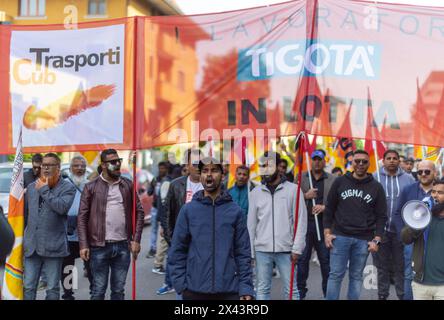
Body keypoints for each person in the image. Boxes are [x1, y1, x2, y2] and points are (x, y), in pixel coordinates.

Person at [168, 157, 255, 300]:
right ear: (201, 176)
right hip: (193, 290)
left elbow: (243, 253)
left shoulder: (235, 212)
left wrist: (245, 287)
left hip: (229, 291)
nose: (209, 174)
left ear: (223, 176)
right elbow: (177, 250)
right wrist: (180, 285)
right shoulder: (188, 210)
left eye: (214, 170)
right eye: (205, 171)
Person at [77, 149, 145, 300]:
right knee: (98, 291)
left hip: (123, 246)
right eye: (113, 162)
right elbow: (82, 218)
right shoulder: (91, 187)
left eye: (118, 160)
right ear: (104, 165)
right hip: (98, 247)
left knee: (118, 291)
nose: (118, 164)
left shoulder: (127, 185)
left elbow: (139, 212)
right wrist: (83, 245)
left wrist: (136, 239)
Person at [323, 150, 387, 300]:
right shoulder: (340, 182)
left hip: (364, 240)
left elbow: (381, 216)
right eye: (357, 161)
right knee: (335, 276)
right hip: (340, 237)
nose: (360, 164)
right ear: (352, 162)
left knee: (356, 277)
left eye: (364, 162)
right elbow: (329, 208)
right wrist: (327, 233)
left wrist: (377, 240)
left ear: (369, 164)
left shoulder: (376, 187)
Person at [248, 151, 307, 300]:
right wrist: (251, 252)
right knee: (262, 290)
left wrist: (297, 248)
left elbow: (300, 221)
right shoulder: (255, 193)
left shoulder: (293, 190)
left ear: (279, 168)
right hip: (262, 249)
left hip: (287, 249)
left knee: (292, 291)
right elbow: (251, 225)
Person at [23, 153, 76, 300]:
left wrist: (44, 190)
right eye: (43, 165)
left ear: (58, 168)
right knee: (28, 286)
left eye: (50, 165)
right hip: (32, 246)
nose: (45, 168)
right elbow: (27, 216)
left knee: (52, 288)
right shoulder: (31, 187)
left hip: (54, 245)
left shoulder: (68, 187)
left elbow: (62, 208)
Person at [156, 148, 203, 296]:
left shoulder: (211, 185)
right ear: (187, 165)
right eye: (194, 163)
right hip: (181, 243)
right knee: (181, 287)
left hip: (203, 245)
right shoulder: (176, 185)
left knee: (202, 284)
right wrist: (173, 241)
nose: (198, 166)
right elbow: (166, 214)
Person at [372, 150, 415, 300]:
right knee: (382, 267)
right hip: (380, 231)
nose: (391, 161)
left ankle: (402, 295)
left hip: (401, 231)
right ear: (383, 161)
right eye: (388, 158)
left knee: (400, 266)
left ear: (399, 161)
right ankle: (382, 295)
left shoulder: (409, 179)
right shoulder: (374, 177)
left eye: (395, 158)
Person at [392, 160, 436, 300]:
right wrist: (403, 234)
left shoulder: (440, 190)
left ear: (434, 173)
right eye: (420, 172)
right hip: (413, 240)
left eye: (427, 171)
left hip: (436, 239)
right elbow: (397, 213)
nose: (423, 174)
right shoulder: (408, 189)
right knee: (410, 274)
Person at [297, 149, 336, 299]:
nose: (317, 162)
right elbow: (291, 199)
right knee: (302, 263)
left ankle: (328, 295)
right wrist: (306, 196)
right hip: (305, 226)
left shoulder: (332, 179)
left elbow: (338, 202)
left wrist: (325, 207)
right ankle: (300, 294)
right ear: (310, 160)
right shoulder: (301, 177)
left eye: (320, 159)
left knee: (326, 264)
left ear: (324, 161)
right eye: (314, 159)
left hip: (324, 226)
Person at [400, 180, 444, 300]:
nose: (435, 195)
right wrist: (419, 218)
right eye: (433, 192)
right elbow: (405, 238)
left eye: (440, 192)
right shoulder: (424, 217)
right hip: (421, 283)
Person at [60, 156, 93, 300]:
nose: (80, 168)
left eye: (82, 166)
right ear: (71, 168)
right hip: (68, 232)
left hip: (87, 233)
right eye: (76, 165)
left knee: (92, 265)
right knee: (68, 267)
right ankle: (68, 294)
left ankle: (95, 292)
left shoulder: (91, 184)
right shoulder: (63, 184)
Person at [146, 161, 169, 258]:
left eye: (163, 168)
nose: (161, 170)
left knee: (164, 230)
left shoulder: (168, 180)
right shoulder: (155, 180)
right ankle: (153, 248)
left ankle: (165, 250)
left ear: (166, 169)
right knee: (154, 229)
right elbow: (149, 193)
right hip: (155, 208)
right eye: (160, 168)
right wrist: (152, 185)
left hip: (164, 209)